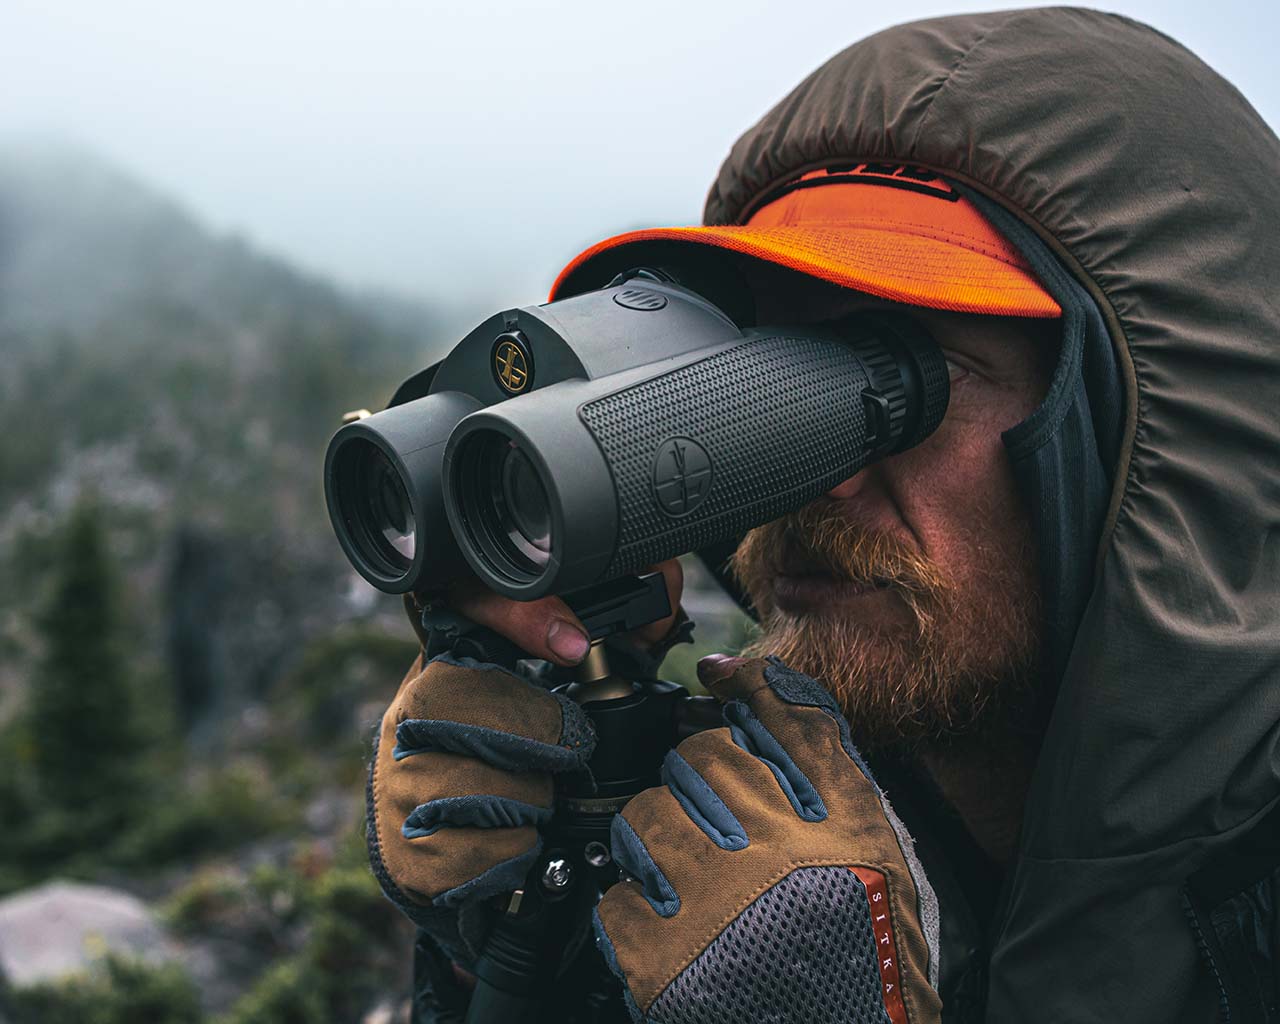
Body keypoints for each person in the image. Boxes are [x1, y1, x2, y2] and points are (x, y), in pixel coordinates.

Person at [365, 8, 1280, 1022]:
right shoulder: (742, 860)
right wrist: (511, 966)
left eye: (891, 386)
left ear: (1146, 444)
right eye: (752, 390)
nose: (807, 475)